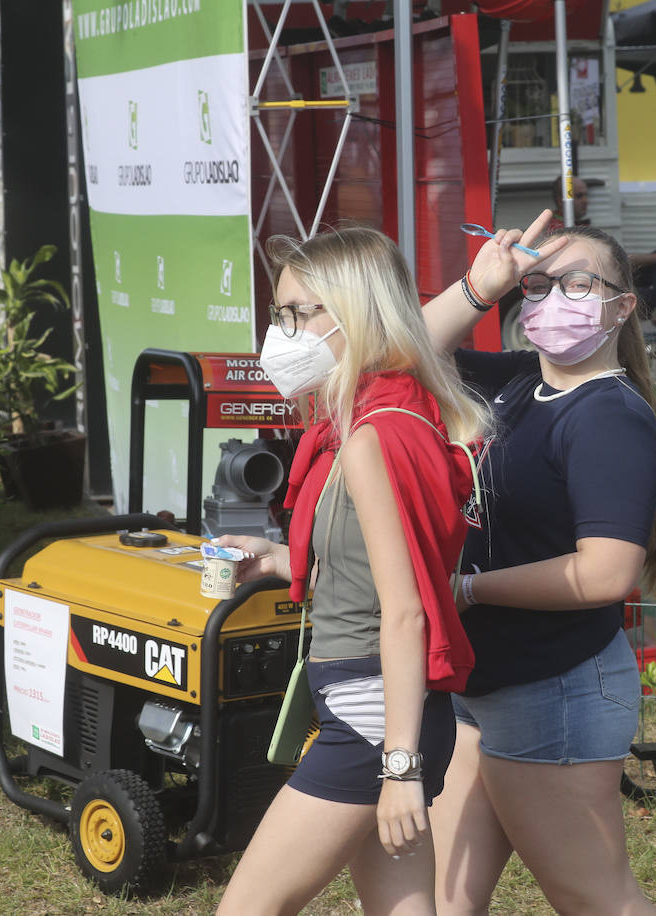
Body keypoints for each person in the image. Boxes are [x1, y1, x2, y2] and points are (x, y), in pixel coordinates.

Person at [216, 226, 491, 915]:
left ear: (358, 314)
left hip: (376, 714)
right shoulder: (377, 419)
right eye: (281, 314)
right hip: (384, 707)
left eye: (299, 314)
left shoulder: (374, 434)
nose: (283, 333)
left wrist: (399, 766)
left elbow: (406, 611)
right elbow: (379, 567)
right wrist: (278, 561)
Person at [423, 212, 656, 915]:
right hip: (487, 686)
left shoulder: (607, 418)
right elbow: (399, 352)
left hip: (553, 694)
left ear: (621, 305)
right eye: (537, 285)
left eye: (576, 283)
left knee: (596, 899)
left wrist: (470, 588)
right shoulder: (520, 384)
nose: (549, 299)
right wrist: (480, 288)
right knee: (442, 901)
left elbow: (604, 574)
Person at [549, 175, 656, 325]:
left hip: (608, 281)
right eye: (579, 196)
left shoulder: (576, 226)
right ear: (561, 201)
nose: (586, 200)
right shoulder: (560, 231)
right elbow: (613, 262)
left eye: (586, 195)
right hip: (600, 290)